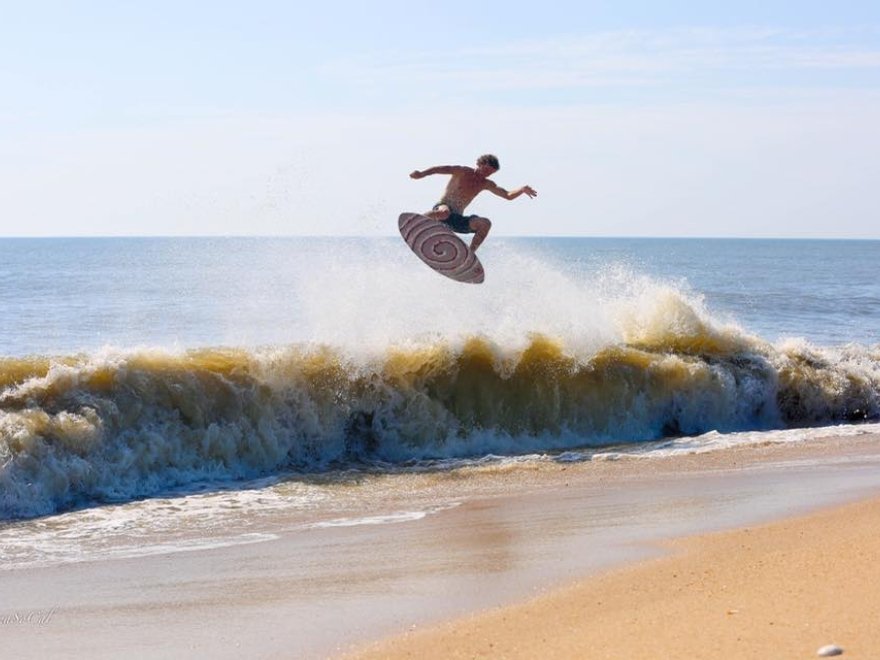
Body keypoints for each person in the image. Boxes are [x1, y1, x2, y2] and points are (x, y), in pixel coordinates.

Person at [409, 154, 537, 252]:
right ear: (479, 163)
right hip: (441, 210)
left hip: (457, 220)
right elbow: (441, 169)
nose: (486, 174)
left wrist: (522, 190)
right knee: (444, 212)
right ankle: (417, 222)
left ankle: (469, 254)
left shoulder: (486, 183)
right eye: (485, 170)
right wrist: (422, 174)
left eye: (490, 173)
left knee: (485, 223)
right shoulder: (462, 171)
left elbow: (507, 195)